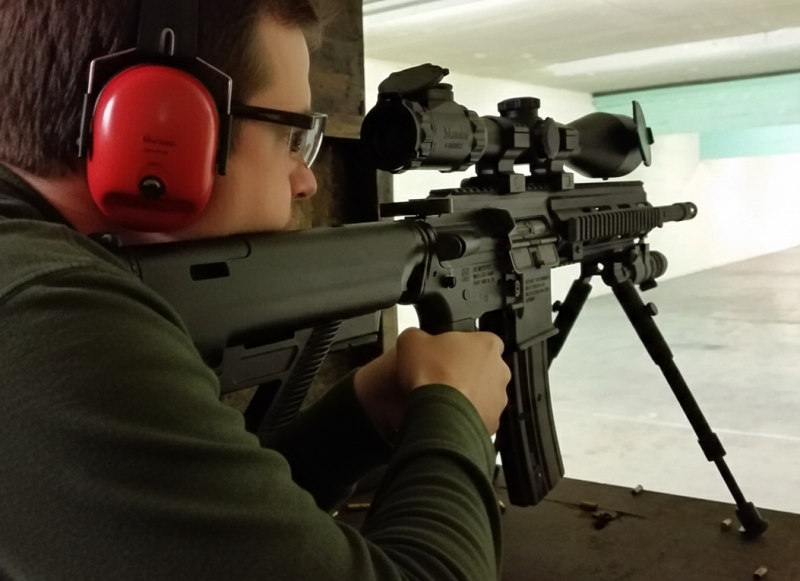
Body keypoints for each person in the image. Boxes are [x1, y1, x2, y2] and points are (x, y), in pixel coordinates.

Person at [0, 1, 512, 579]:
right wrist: (456, 410)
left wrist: (356, 416)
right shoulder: (51, 320)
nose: (307, 179)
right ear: (157, 126)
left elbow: (189, 545)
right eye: (291, 137)